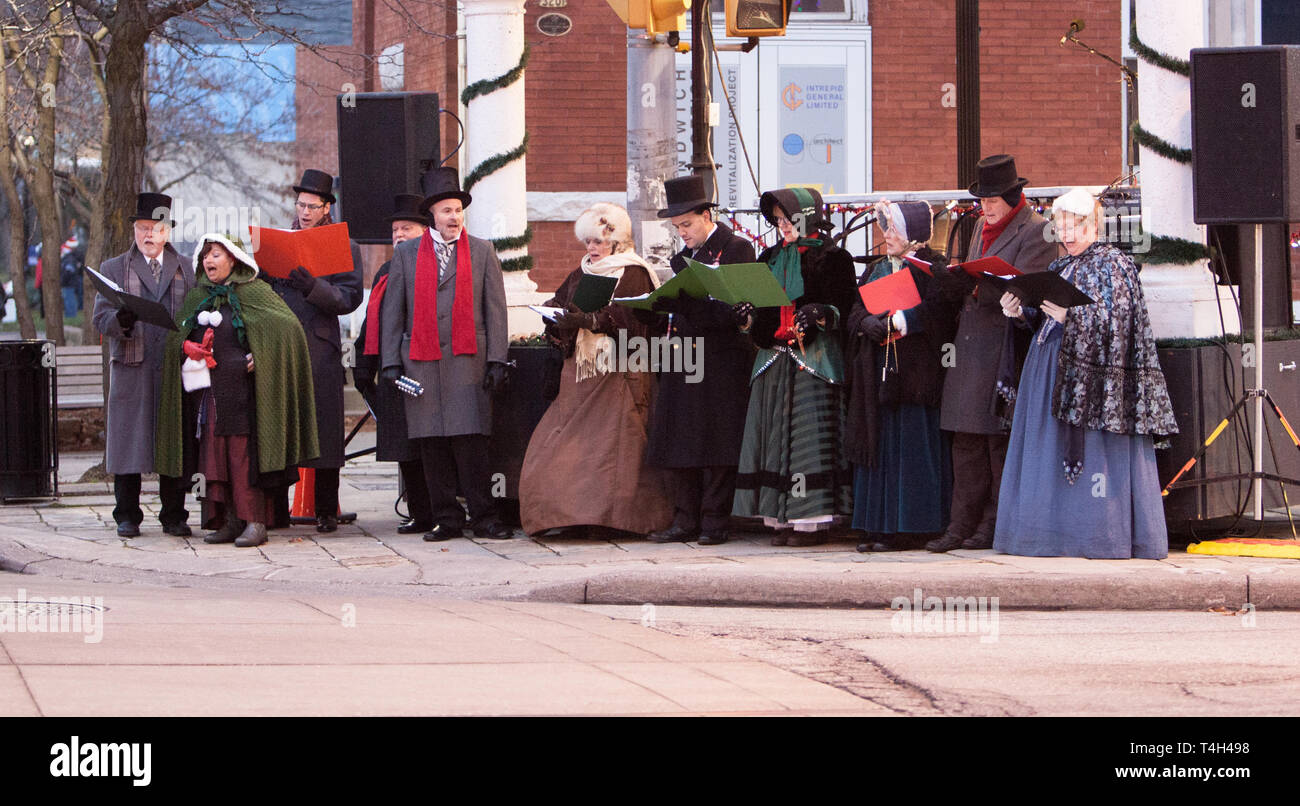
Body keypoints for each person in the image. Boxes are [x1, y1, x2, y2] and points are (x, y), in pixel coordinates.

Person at [994, 188, 1177, 558]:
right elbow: (1044, 319)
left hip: (1095, 383)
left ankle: (1094, 536)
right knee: (1044, 452)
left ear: (1093, 224)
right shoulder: (1058, 267)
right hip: (1047, 370)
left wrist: (1073, 317)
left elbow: (1123, 324)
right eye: (1061, 227)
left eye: (1074, 226)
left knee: (1096, 457)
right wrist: (1020, 311)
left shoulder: (1115, 264)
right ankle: (1046, 536)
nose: (1067, 234)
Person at [928, 154, 1060, 553]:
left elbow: (1028, 288)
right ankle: (960, 524)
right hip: (971, 344)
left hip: (1004, 346)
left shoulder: (1036, 231)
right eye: (981, 200)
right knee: (966, 441)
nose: (983, 207)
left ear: (1012, 196)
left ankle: (992, 525)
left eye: (991, 200)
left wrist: (975, 282)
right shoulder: (981, 227)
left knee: (995, 443)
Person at [517, 202, 672, 538]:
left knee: (615, 450)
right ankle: (567, 516)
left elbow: (640, 322)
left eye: (599, 242)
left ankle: (612, 520)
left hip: (618, 374)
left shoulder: (633, 271)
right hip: (580, 374)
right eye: (588, 242)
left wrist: (594, 320)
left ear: (617, 242)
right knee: (563, 447)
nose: (592, 249)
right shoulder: (581, 272)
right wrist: (555, 314)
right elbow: (562, 304)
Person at [154, 234, 319, 548]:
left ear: (234, 258)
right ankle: (228, 520)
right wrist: (186, 345)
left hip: (246, 395)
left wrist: (263, 356)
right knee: (215, 457)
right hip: (211, 393)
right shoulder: (198, 296)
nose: (208, 261)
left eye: (216, 254)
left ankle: (255, 522)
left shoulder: (256, 292)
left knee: (243, 458)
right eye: (205, 255)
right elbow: (177, 335)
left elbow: (288, 329)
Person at [380, 166, 512, 541]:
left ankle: (485, 517)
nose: (454, 217)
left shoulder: (483, 251)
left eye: (458, 210)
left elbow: (496, 309)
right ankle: (447, 519)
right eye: (447, 211)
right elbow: (394, 311)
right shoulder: (406, 254)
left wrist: (497, 359)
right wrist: (390, 361)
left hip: (467, 362)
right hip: (419, 363)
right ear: (432, 216)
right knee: (432, 445)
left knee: (471, 444)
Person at [732, 187, 857, 545]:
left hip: (813, 360)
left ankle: (811, 520)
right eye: (779, 221)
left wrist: (820, 313)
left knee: (808, 439)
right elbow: (761, 321)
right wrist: (747, 319)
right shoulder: (770, 257)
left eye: (789, 220)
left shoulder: (835, 258)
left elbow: (845, 309)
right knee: (773, 438)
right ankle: (780, 519)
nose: (783, 227)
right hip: (773, 359)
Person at [643, 175, 757, 546]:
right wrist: (654, 309)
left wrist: (687, 304)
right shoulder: (681, 259)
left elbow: (736, 312)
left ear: (708, 215)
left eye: (687, 225)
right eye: (677, 227)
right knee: (681, 439)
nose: (683, 233)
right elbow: (679, 310)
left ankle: (714, 521)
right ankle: (684, 518)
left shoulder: (737, 249)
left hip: (721, 361)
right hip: (683, 358)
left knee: (716, 441)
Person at [847, 200, 959, 552]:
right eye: (885, 227)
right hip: (877, 374)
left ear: (913, 232)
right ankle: (879, 525)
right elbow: (855, 309)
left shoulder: (933, 267)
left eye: (894, 228)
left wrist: (905, 321)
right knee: (881, 446)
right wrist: (867, 323)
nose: (887, 235)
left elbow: (944, 309)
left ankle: (913, 525)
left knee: (911, 446)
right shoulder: (877, 268)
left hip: (915, 376)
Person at [91, 192, 196, 538]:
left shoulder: (186, 267)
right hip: (132, 367)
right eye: (142, 227)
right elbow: (99, 317)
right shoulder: (114, 268)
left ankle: (174, 515)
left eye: (156, 228)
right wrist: (119, 319)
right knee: (128, 443)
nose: (149, 235)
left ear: (168, 231)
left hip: (173, 368)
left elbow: (197, 316)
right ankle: (127, 515)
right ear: (134, 229)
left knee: (173, 442)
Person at [267, 169, 364, 533]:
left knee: (324, 432)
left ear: (327, 208)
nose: (305, 211)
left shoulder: (344, 245)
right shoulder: (280, 240)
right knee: (280, 429)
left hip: (320, 350)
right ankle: (276, 508)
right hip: (281, 349)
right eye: (300, 204)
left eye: (312, 206)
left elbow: (348, 298)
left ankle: (326, 509)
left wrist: (313, 286)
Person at [352, 193, 435, 534]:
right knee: (404, 448)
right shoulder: (387, 270)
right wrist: (362, 359)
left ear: (424, 231)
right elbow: (375, 318)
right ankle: (419, 512)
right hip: (389, 370)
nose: (398, 234)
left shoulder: (430, 267)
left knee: (426, 447)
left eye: (407, 228)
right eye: (395, 229)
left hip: (418, 368)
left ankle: (437, 510)